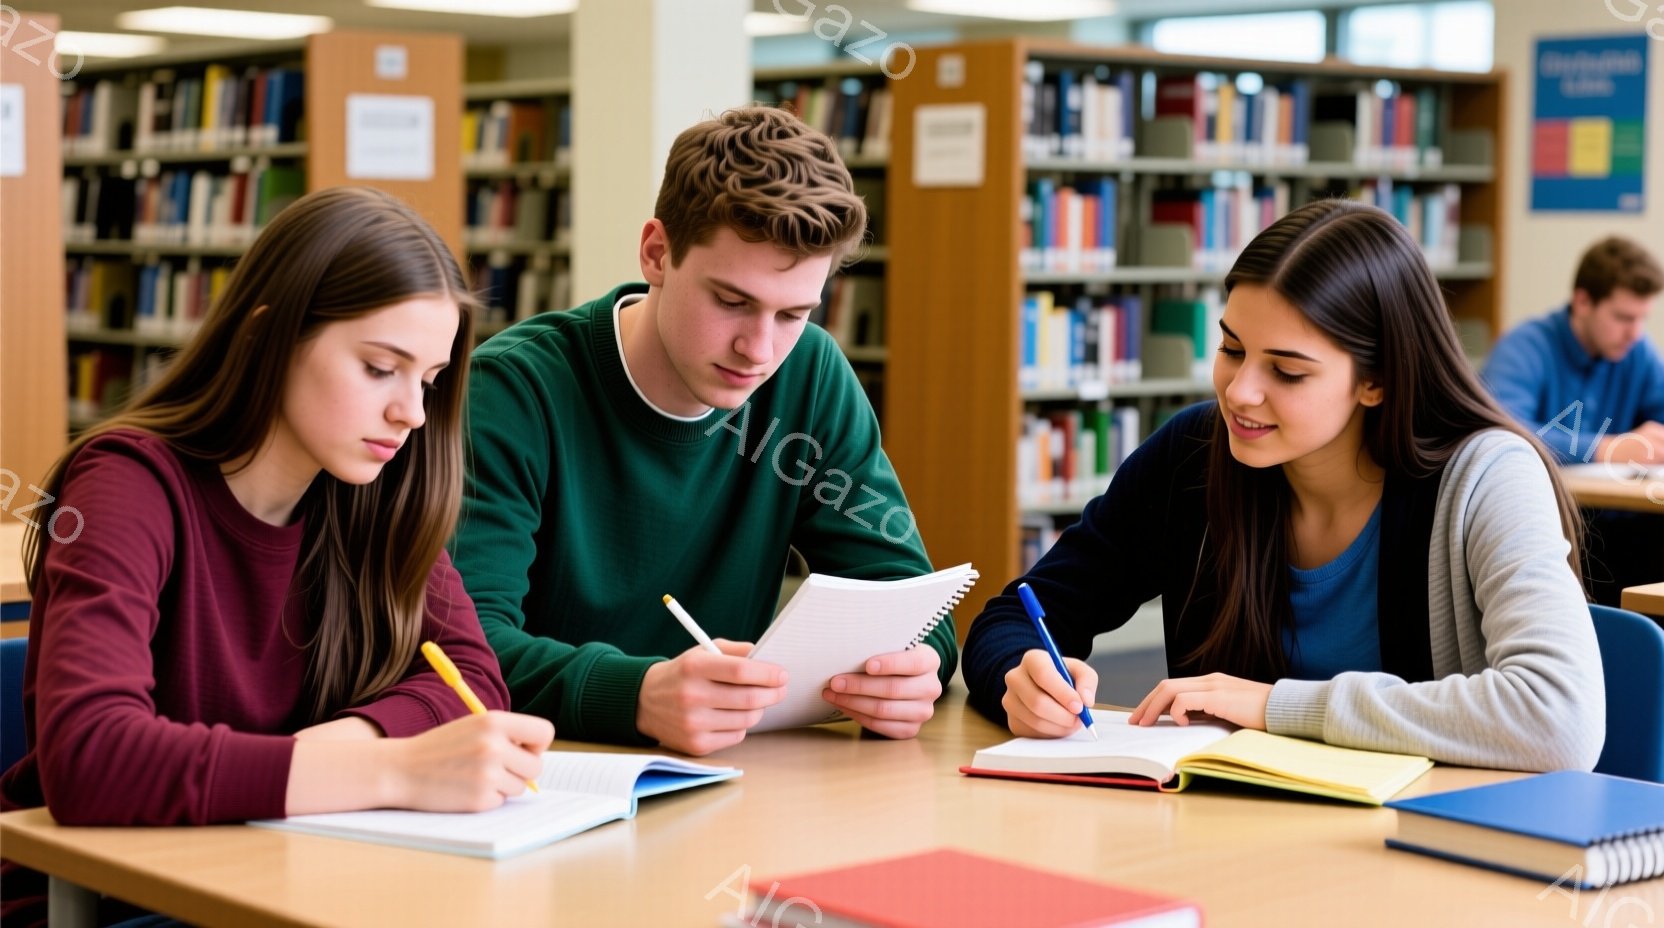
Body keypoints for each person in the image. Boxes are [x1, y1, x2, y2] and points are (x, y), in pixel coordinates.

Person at [1, 187, 554, 927]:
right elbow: (93, 760)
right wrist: (390, 767)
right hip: (115, 895)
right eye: (379, 367)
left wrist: (317, 759)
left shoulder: (372, 492)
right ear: (268, 337)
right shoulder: (128, 484)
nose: (413, 414)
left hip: (290, 871)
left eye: (427, 380)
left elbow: (473, 680)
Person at [962, 200, 1604, 773]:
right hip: (1230, 844)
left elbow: (1559, 718)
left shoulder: (1487, 477)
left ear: (1375, 382)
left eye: (1288, 371)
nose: (1240, 392)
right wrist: (1021, 677)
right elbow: (1014, 618)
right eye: (1232, 349)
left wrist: (1277, 706)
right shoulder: (1194, 452)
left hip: (1427, 852)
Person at [452, 106, 957, 757]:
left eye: (794, 313)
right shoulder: (513, 393)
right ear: (657, 253)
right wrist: (634, 693)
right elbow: (462, 645)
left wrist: (912, 671)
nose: (759, 348)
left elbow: (909, 601)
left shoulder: (809, 376)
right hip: (548, 775)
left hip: (733, 776)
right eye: (731, 301)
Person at [1480, 236, 1664, 605]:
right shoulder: (1526, 347)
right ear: (1583, 301)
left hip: (1627, 527)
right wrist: (1607, 448)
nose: (1635, 332)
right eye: (1624, 317)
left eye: (1642, 318)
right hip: (1550, 528)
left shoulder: (1636, 352)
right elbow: (1500, 430)